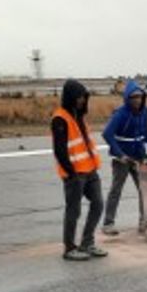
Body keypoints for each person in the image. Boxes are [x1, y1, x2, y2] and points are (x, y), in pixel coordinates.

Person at [52, 79, 107, 261]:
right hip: (74, 174)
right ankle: (69, 248)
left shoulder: (79, 116)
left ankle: (87, 243)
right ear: (70, 97)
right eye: (79, 97)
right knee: (73, 211)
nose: (82, 100)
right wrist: (71, 173)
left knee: (98, 204)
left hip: (90, 170)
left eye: (84, 97)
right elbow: (59, 151)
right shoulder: (60, 119)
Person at [101, 79, 147, 235]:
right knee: (116, 190)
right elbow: (107, 134)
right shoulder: (120, 114)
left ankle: (144, 222)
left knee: (144, 189)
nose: (137, 100)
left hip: (139, 156)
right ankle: (108, 224)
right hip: (123, 159)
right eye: (134, 97)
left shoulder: (144, 112)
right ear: (127, 98)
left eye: (140, 97)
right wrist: (120, 154)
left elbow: (146, 132)